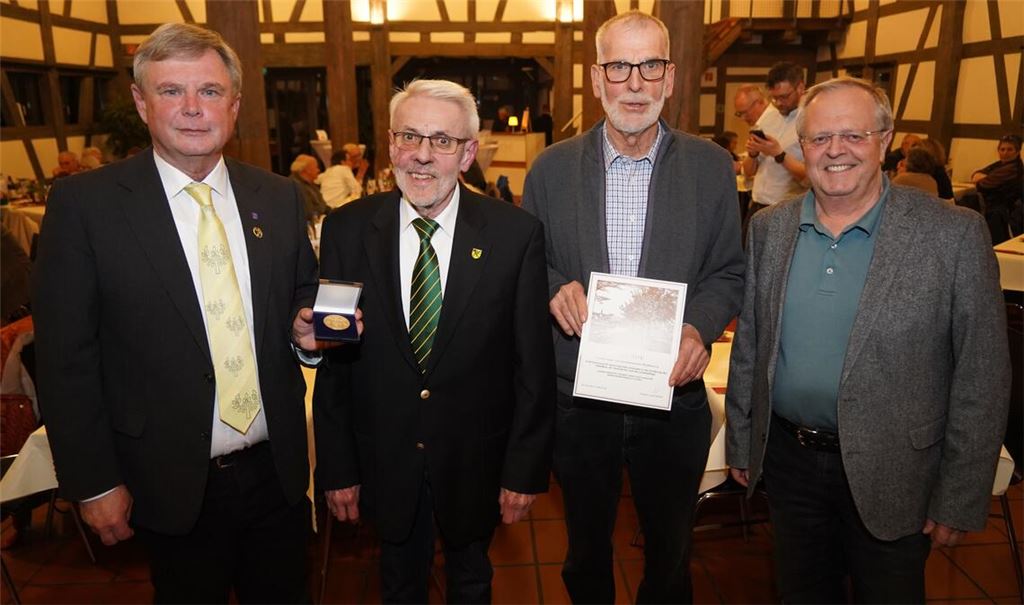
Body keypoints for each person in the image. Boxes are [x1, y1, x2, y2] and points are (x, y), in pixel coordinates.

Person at [32, 23, 325, 603]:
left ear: (234, 105)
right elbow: (66, 362)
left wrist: (304, 331)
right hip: (166, 480)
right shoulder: (85, 207)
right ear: (142, 102)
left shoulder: (277, 196)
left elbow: (300, 297)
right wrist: (93, 483)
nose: (192, 108)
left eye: (210, 91)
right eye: (171, 91)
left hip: (278, 473)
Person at [725, 76, 1010, 604]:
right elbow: (752, 346)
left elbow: (983, 376)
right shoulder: (770, 229)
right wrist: (742, 442)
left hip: (897, 472)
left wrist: (959, 495)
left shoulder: (953, 235)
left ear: (885, 140)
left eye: (854, 135)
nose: (836, 150)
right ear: (802, 146)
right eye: (819, 138)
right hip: (789, 465)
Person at [522, 10, 744, 604]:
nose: (635, 83)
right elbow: (528, 265)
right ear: (597, 78)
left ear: (671, 77)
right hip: (579, 398)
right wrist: (553, 286)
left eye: (650, 66)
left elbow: (728, 270)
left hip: (672, 395)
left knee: (671, 556)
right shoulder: (550, 169)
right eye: (620, 67)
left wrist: (698, 327)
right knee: (584, 553)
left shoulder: (710, 167)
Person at [314, 79, 555, 604]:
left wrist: (523, 472)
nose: (422, 155)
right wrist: (337, 468)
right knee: (398, 585)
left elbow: (533, 369)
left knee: (472, 584)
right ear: (391, 144)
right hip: (385, 463)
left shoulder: (515, 235)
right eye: (409, 136)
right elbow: (335, 363)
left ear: (468, 154)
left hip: (476, 464)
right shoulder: (346, 230)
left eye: (442, 141)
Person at [742, 62, 809, 219]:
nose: (778, 103)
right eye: (774, 98)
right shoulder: (768, 117)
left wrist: (779, 154)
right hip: (757, 204)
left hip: (786, 210)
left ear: (800, 88)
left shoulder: (810, 120)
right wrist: (752, 154)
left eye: (784, 97)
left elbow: (809, 178)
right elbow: (749, 172)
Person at [971, 133, 1023, 243]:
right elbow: (975, 175)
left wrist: (983, 178)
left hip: (1002, 215)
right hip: (992, 210)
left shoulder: (1013, 168)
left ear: (1017, 151)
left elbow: (982, 185)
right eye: (1002, 149)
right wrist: (984, 177)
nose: (1005, 153)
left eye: (1010, 149)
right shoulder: (1000, 164)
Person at [290, 153, 330, 222]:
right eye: (316, 167)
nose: (318, 170)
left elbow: (323, 207)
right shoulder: (295, 186)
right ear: (307, 170)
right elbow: (309, 211)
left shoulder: (312, 184)